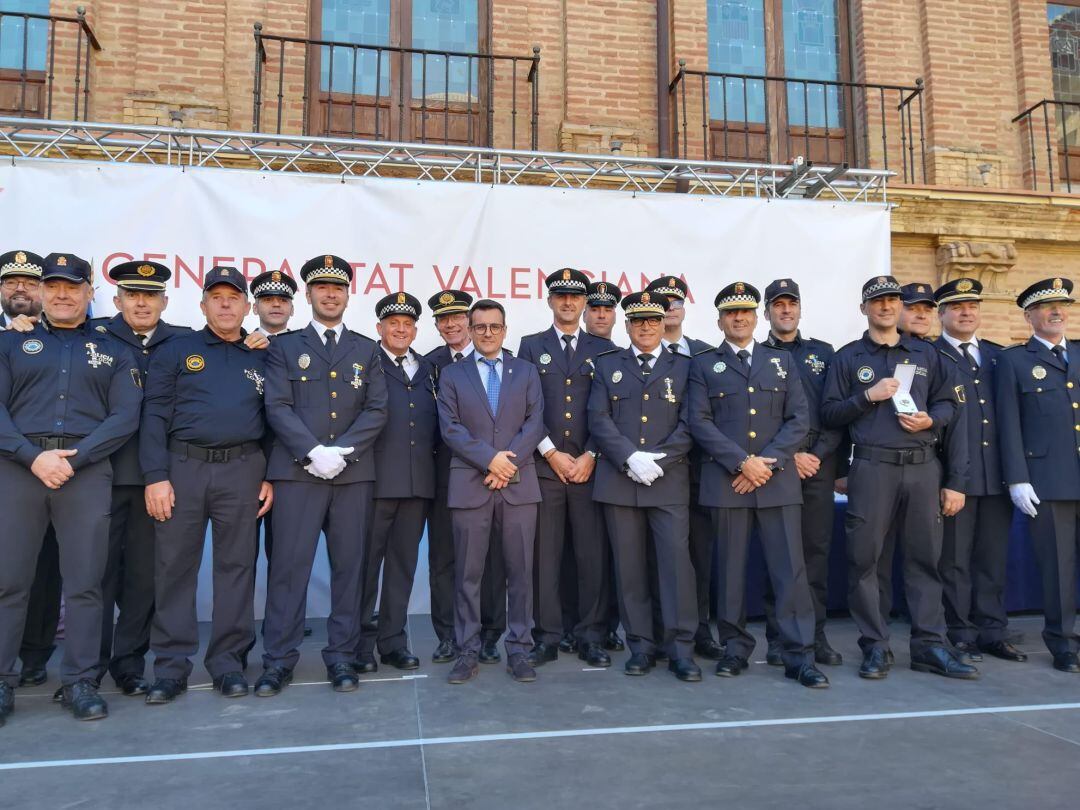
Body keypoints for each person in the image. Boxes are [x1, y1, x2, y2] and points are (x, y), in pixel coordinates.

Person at [0, 252, 142, 724]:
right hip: (19, 469)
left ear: (89, 294)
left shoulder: (115, 351)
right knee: (9, 583)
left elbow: (125, 416)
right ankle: (3, 682)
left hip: (85, 472)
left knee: (85, 584)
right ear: (40, 292)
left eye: (73, 286)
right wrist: (32, 457)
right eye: (54, 286)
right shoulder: (9, 344)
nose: (63, 294)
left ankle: (80, 681)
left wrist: (75, 460)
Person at [822, 275, 975, 680]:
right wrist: (865, 398)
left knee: (926, 561)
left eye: (892, 300)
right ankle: (875, 646)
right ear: (864, 309)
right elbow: (830, 414)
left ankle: (929, 646)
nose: (886, 307)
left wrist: (931, 419)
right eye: (877, 301)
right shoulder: (849, 357)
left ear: (901, 307)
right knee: (866, 561)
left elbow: (948, 405)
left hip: (923, 466)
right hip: (873, 467)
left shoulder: (926, 354)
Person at [256, 255, 387, 697]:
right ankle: (278, 661)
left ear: (348, 295)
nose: (330, 295)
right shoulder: (283, 347)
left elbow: (377, 409)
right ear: (309, 295)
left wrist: (340, 454)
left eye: (338, 288)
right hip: (298, 473)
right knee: (289, 571)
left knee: (350, 570)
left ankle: (343, 657)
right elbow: (277, 406)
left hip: (352, 476)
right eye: (322, 288)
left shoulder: (368, 349)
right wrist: (313, 452)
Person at [140, 266, 273, 704]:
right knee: (174, 568)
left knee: (237, 569)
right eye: (216, 297)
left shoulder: (264, 354)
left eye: (233, 297)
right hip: (184, 467)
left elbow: (278, 419)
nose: (225, 304)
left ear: (247, 306)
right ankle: (171, 668)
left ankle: (228, 663)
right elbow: (154, 415)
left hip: (243, 469)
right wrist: (156, 476)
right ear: (202, 306)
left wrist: (269, 474)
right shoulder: (178, 350)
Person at [688, 282, 826, 687]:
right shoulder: (703, 364)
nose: (739, 318)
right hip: (728, 482)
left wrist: (765, 463)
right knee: (730, 574)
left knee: (790, 572)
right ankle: (734, 648)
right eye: (731, 313)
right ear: (720, 320)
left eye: (746, 312)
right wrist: (741, 463)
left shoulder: (780, 361)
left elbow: (799, 419)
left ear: (756, 317)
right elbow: (699, 421)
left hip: (777, 481)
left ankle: (797, 653)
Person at [588, 291, 702, 682]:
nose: (646, 327)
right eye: (638, 322)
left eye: (652, 321)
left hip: (668, 482)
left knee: (675, 568)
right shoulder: (607, 365)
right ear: (627, 326)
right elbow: (598, 418)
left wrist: (660, 460)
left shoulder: (686, 366)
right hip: (621, 482)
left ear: (662, 324)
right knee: (630, 569)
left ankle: (680, 649)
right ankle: (640, 645)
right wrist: (628, 458)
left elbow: (692, 422)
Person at [437, 299, 545, 684]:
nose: (486, 333)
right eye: (479, 327)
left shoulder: (527, 372)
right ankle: (467, 650)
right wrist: (490, 460)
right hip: (471, 484)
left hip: (518, 485)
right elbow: (450, 428)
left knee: (520, 573)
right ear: (469, 328)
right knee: (468, 574)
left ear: (504, 329)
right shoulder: (452, 375)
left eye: (493, 327)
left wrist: (506, 464)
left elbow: (535, 423)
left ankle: (519, 649)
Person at [95, 261, 189, 697]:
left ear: (164, 301)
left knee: (142, 579)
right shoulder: (90, 336)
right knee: (94, 577)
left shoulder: (185, 341)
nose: (141, 302)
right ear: (117, 300)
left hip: (157, 479)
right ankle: (88, 668)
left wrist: (256, 340)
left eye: (150, 295)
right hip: (98, 476)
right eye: (133, 295)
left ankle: (128, 663)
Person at [518, 268, 616, 669]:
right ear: (550, 301)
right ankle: (547, 636)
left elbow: (612, 409)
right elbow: (523, 405)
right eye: (561, 296)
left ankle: (590, 635)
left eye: (576, 297)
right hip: (546, 468)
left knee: (591, 557)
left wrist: (592, 454)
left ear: (584, 304)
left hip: (590, 468)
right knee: (546, 558)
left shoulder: (605, 349)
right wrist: (549, 452)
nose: (568, 303)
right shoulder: (530, 345)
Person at [932, 278, 1025, 664]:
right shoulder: (928, 355)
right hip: (953, 477)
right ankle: (960, 632)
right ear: (942, 315)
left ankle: (992, 631)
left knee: (991, 559)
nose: (966, 312)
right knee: (953, 561)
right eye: (957, 307)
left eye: (972, 306)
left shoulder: (997, 357)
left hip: (994, 475)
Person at [995, 277, 1080, 673]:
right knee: (1059, 569)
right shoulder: (1014, 361)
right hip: (1049, 480)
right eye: (1048, 307)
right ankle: (1063, 643)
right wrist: (1017, 477)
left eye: (1062, 306)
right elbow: (1007, 424)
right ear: (1030, 315)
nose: (1058, 312)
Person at [761, 278, 844, 668]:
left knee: (815, 554)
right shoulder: (756, 355)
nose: (785, 310)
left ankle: (816, 635)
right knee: (777, 555)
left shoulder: (823, 354)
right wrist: (789, 456)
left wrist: (817, 455)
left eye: (791, 303)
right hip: (776, 467)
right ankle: (779, 638)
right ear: (767, 312)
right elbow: (756, 422)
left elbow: (834, 413)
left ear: (800, 308)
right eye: (778, 305)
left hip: (818, 467)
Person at [356, 292, 439, 672]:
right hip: (374, 484)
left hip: (417, 485)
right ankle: (358, 644)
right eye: (393, 324)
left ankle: (392, 642)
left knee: (402, 568)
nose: (401, 329)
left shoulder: (428, 368)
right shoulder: (365, 362)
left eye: (407, 324)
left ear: (415, 330)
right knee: (364, 568)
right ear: (380, 328)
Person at [424, 289, 507, 665]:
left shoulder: (505, 364)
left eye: (458, 317)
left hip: (494, 475)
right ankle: (448, 635)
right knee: (444, 558)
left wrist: (495, 463)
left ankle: (490, 634)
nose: (451, 324)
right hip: (445, 475)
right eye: (444, 319)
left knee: (490, 560)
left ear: (471, 324)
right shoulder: (426, 366)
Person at [645, 276, 722, 660]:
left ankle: (700, 629)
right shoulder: (638, 355)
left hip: (702, 473)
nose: (671, 306)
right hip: (658, 473)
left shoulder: (706, 353)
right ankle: (659, 631)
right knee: (658, 558)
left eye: (677, 300)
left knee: (699, 558)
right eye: (664, 302)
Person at [0, 250, 61, 688]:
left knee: (44, 568)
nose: (20, 288)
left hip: (44, 471)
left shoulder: (67, 338)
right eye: (10, 282)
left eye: (29, 282)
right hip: (11, 466)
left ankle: (35, 655)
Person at [582, 280, 626, 653]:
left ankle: (603, 626)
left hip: (600, 467)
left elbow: (610, 419)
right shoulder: (538, 346)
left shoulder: (623, 355)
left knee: (601, 555)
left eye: (607, 309)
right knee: (557, 557)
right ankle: (563, 627)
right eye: (594, 308)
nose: (600, 314)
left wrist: (591, 454)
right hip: (552, 465)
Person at [251, 269, 297, 339]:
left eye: (283, 300)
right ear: (255, 308)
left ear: (292, 310)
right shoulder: (242, 346)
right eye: (268, 299)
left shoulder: (306, 348)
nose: (276, 304)